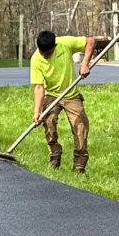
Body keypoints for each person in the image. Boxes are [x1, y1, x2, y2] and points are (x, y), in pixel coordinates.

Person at [30, 31, 96, 173]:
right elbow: (39, 87)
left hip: (71, 94)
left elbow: (90, 41)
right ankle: (55, 155)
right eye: (42, 53)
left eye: (48, 53)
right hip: (52, 94)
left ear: (55, 46)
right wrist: (37, 111)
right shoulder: (36, 59)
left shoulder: (64, 43)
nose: (44, 56)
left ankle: (79, 166)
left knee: (80, 127)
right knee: (48, 122)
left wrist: (85, 64)